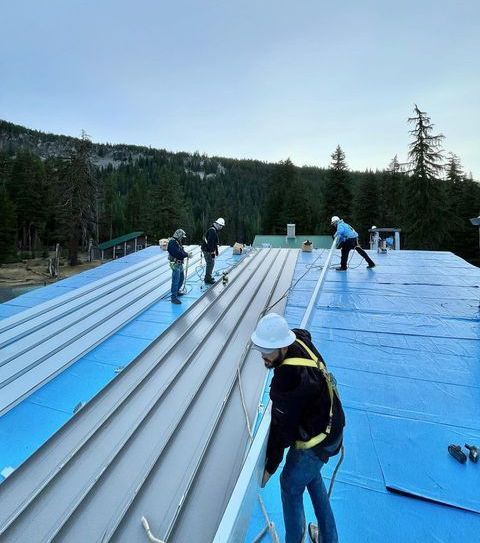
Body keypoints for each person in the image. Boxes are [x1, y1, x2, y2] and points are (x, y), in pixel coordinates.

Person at [250, 313, 345, 543]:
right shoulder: (300, 339)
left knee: (289, 485)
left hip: (318, 441)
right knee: (311, 478)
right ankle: (329, 539)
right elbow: (302, 332)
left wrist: (269, 468)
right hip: (333, 427)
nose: (263, 356)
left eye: (268, 351)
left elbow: (282, 430)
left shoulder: (287, 379)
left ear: (282, 347)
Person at [167, 229, 191, 304]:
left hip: (179, 264)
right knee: (175, 281)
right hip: (175, 264)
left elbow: (181, 251)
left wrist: (186, 254)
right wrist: (186, 255)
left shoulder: (177, 242)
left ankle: (177, 291)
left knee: (181, 278)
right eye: (182, 236)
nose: (182, 238)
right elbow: (177, 253)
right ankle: (173, 297)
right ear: (179, 235)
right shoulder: (172, 243)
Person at [201, 217, 225, 284]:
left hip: (207, 249)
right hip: (207, 250)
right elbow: (210, 243)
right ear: (217, 224)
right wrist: (212, 252)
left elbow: (213, 243)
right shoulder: (212, 231)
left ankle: (208, 277)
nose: (221, 227)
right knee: (210, 263)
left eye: (222, 226)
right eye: (220, 225)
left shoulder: (213, 230)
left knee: (211, 263)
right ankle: (208, 279)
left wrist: (215, 251)